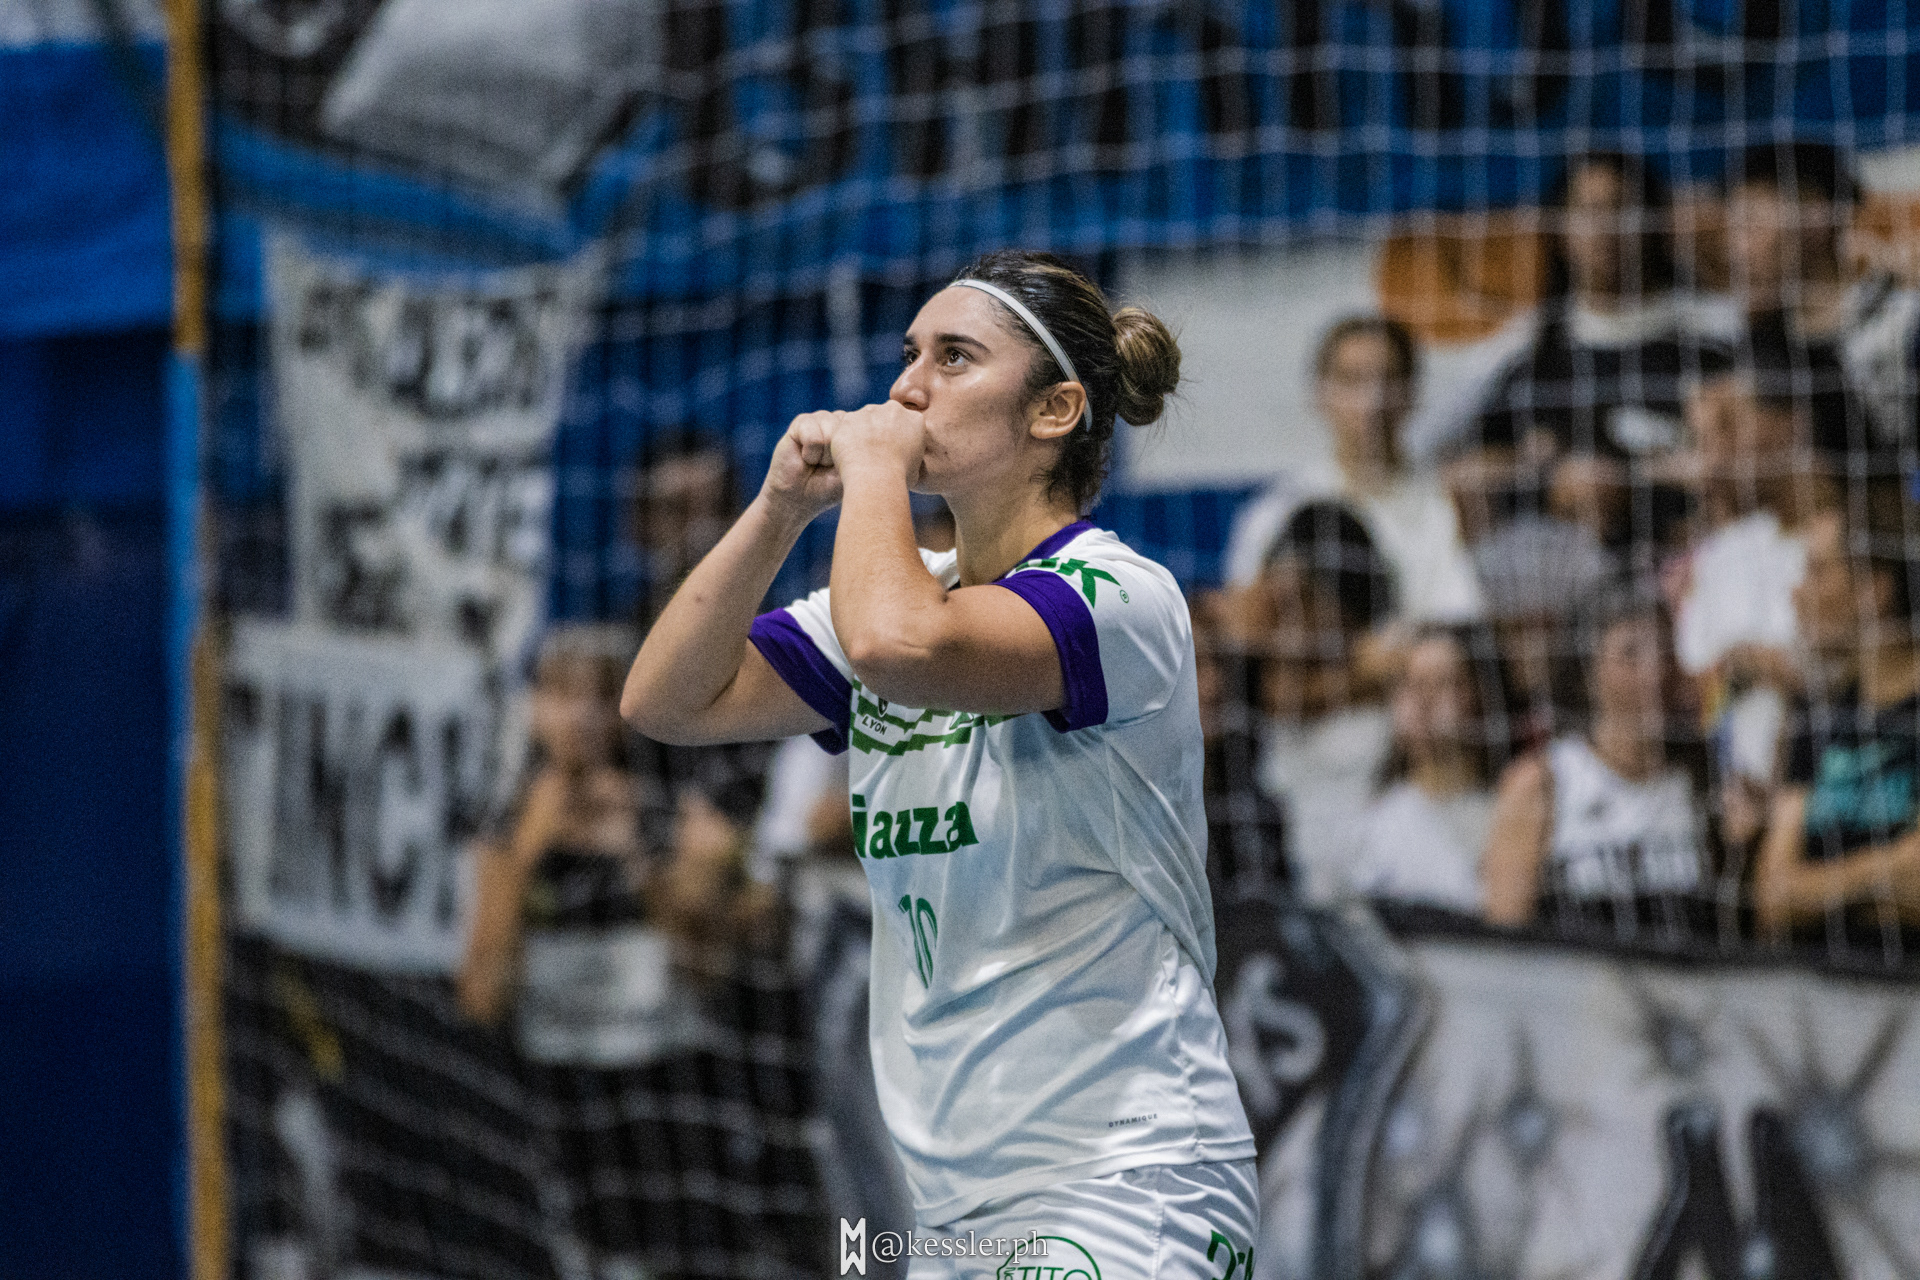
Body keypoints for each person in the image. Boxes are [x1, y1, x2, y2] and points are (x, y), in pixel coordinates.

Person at [620, 251, 1259, 1275]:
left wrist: (871, 470)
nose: (907, 388)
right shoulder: (904, 593)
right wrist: (779, 507)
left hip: (1126, 1172)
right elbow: (665, 700)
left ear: (1054, 410)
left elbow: (898, 645)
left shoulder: (1118, 596)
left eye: (953, 357)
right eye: (908, 354)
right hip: (956, 1200)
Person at [457, 624, 717, 1270]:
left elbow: (706, 972)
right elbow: (480, 996)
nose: (581, 717)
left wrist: (636, 856)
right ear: (533, 707)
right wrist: (528, 854)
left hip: (660, 1089)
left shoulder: (668, 812)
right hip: (553, 1093)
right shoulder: (508, 823)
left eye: (601, 696)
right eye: (562, 694)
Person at [1446, 152, 1731, 551]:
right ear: (1559, 231)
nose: (1604, 227)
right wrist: (1545, 473)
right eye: (1587, 211)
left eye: (1620, 209)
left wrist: (1630, 478)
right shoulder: (1531, 358)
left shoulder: (1713, 345)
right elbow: (1461, 467)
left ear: (1652, 222)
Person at [1482, 588, 1712, 944]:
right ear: (1589, 671)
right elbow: (1506, 931)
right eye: (1631, 653)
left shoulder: (1699, 778)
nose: (1655, 670)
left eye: (1664, 649)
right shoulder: (1544, 781)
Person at [1222, 315, 1481, 623]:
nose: (1373, 399)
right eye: (1352, 380)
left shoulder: (1449, 503)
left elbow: (1459, 617)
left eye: (1388, 379)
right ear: (1320, 393)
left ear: (1413, 392)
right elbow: (1247, 626)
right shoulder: (1277, 510)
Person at [1755, 481, 1920, 961]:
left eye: (1817, 572)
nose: (1796, 592)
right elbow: (1772, 897)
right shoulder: (1817, 714)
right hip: (1815, 989)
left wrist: (1818, 890)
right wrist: (1890, 873)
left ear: (1873, 591)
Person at [1237, 499, 1398, 903]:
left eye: (1301, 601)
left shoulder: (1380, 690)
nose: (1285, 624)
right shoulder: (1239, 671)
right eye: (1278, 603)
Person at [1725, 140, 1915, 457]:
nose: (1736, 249)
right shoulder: (1759, 341)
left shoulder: (1903, 312)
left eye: (1751, 222)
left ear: (1816, 216)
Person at [1349, 624, 1515, 913]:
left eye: (1444, 683)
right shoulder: (1370, 817)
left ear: (1482, 695)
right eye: (1409, 684)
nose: (1423, 700)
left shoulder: (1511, 808)